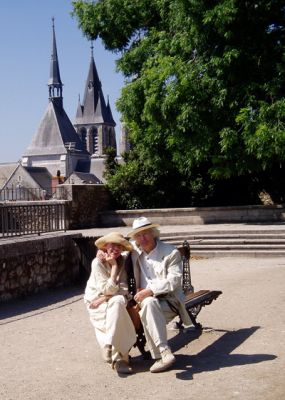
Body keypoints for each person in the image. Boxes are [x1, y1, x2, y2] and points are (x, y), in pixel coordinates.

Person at [127, 217, 191, 373]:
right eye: (138, 235)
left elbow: (174, 280)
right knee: (145, 304)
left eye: (146, 234)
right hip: (144, 301)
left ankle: (161, 355)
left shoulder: (171, 252)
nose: (143, 239)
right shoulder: (135, 252)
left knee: (149, 304)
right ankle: (164, 353)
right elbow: (114, 251)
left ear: (154, 233)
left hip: (169, 301)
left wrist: (150, 290)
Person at [84, 232, 137, 374]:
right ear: (105, 246)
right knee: (117, 306)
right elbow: (105, 289)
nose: (116, 248)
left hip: (109, 299)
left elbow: (124, 288)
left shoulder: (123, 261)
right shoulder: (97, 263)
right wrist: (113, 268)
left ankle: (109, 345)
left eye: (119, 246)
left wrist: (106, 297)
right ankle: (120, 359)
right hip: (95, 301)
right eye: (112, 245)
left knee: (118, 301)